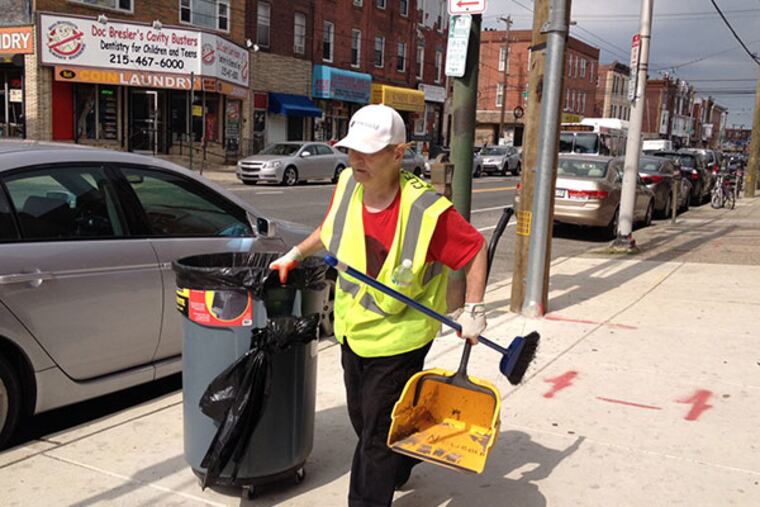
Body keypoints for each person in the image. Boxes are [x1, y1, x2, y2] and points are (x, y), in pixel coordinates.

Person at [269, 104, 488, 507]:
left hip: (401, 339)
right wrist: (295, 254)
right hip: (354, 330)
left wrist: (473, 309)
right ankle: (399, 457)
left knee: (375, 436)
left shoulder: (427, 212)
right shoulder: (349, 186)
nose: (356, 160)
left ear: (397, 153)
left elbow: (474, 250)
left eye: (368, 152)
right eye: (352, 150)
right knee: (363, 418)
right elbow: (329, 228)